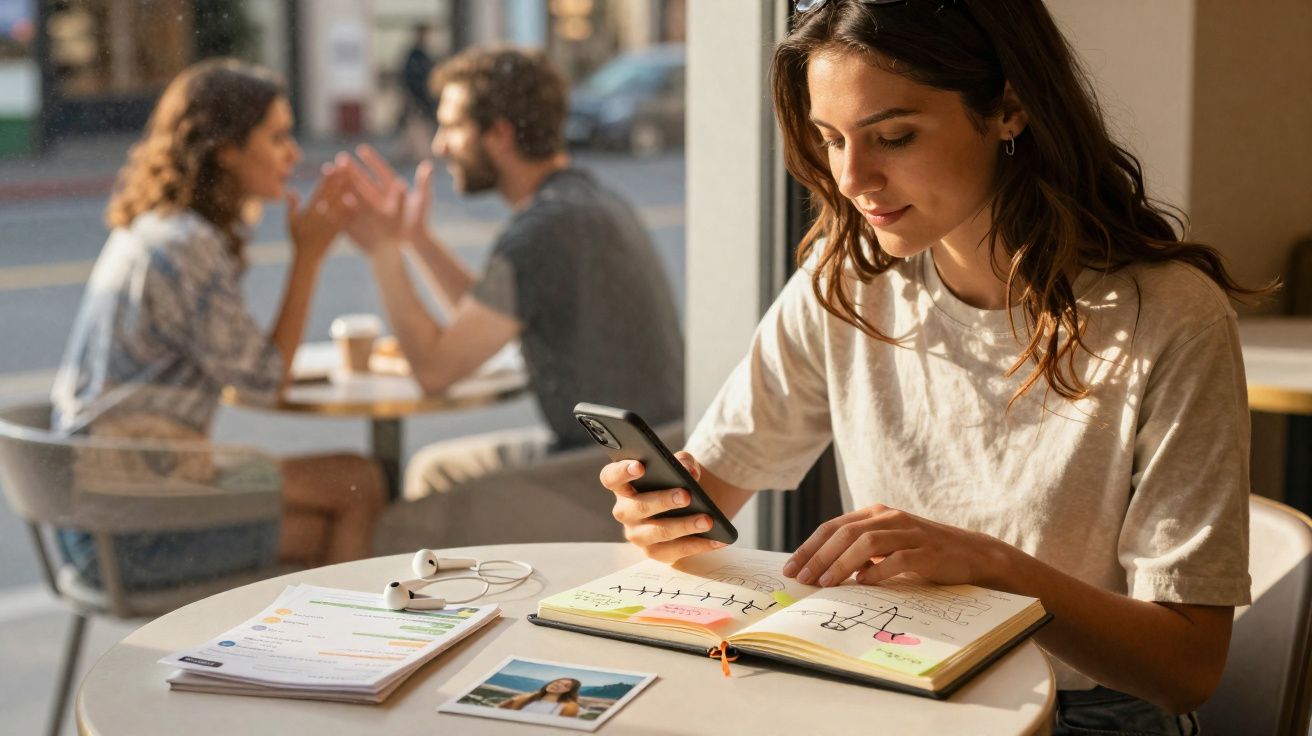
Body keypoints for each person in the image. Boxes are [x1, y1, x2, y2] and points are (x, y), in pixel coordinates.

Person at [597, 1, 1259, 732]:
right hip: (887, 679)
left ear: (1008, 108)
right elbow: (706, 492)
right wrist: (656, 517)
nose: (852, 178)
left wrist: (992, 567)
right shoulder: (847, 278)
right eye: (830, 139)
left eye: (894, 136)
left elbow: (1187, 669)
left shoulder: (1167, 318)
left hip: (1082, 713)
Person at [51, 58, 387, 591]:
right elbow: (263, 385)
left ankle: (311, 656)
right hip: (130, 524)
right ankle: (336, 658)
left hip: (104, 505)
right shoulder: (187, 246)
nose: (294, 154)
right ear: (227, 148)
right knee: (357, 485)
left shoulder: (161, 227)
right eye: (277, 137)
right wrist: (310, 256)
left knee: (340, 500)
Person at [337, 46, 684, 500]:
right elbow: (482, 313)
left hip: (609, 480)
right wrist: (415, 239)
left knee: (414, 503)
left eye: (453, 127)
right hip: (654, 454)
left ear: (499, 134)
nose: (440, 145)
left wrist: (383, 252)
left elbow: (435, 370)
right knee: (432, 469)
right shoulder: (580, 201)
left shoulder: (541, 230)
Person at [397, 24, 438, 163]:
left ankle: (405, 155)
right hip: (417, 98)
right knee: (418, 126)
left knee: (414, 127)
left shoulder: (419, 54)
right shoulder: (416, 55)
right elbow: (413, 79)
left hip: (419, 97)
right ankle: (423, 155)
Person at [498, 677, 582, 717]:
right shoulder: (526, 697)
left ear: (569, 691)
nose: (557, 685)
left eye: (565, 686)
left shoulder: (569, 707)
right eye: (557, 681)